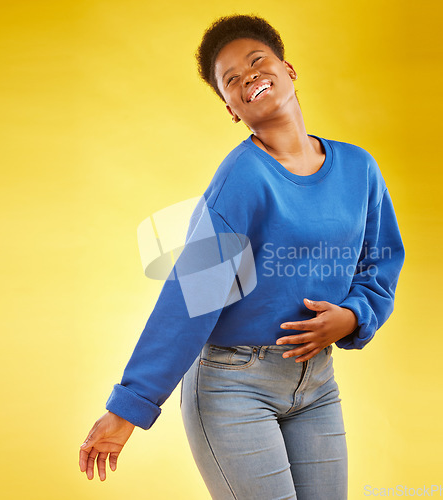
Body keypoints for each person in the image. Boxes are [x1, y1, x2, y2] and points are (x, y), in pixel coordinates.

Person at [79, 14, 405, 500]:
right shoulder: (242, 178)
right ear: (231, 108)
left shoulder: (359, 168)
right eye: (231, 80)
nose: (248, 77)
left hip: (317, 384)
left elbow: (380, 262)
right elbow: (191, 299)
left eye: (257, 62)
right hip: (234, 386)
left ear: (288, 70)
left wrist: (355, 316)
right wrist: (129, 409)